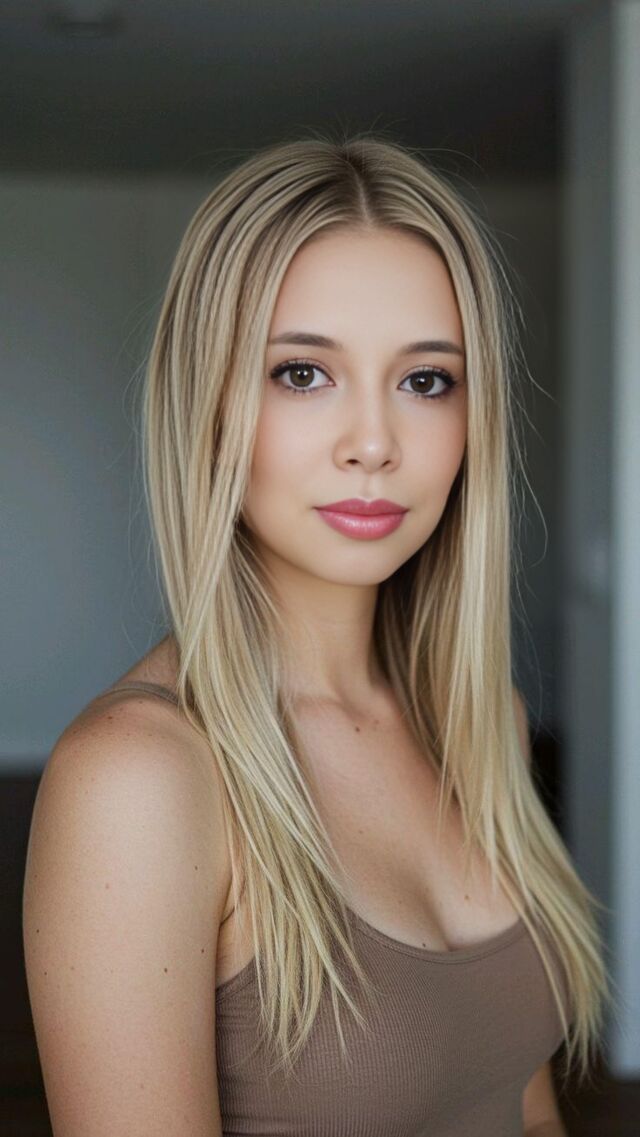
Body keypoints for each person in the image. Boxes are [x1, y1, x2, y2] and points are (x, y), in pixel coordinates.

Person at [23, 133, 614, 1136]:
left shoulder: (484, 725)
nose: (374, 443)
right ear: (210, 404)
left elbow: (525, 1108)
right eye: (302, 373)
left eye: (426, 380)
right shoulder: (140, 778)